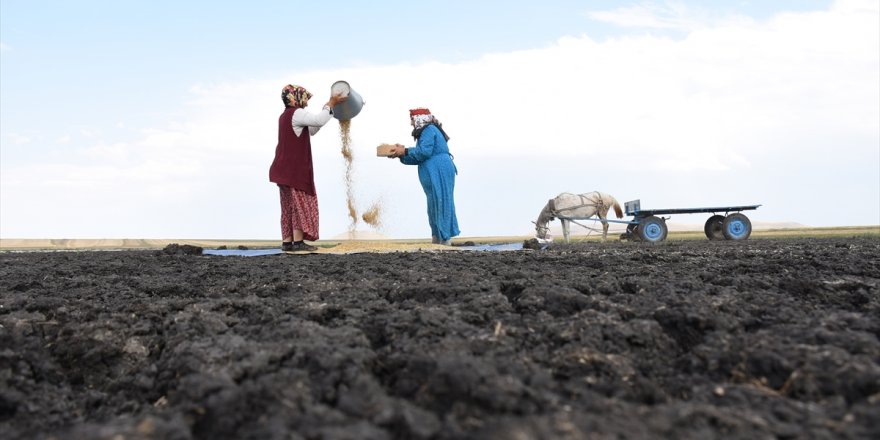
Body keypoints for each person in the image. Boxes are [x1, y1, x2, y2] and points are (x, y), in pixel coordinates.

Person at [269, 84, 346, 252]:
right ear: (296, 98)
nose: (307, 103)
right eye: (305, 98)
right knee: (298, 205)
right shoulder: (296, 113)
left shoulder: (284, 116)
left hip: (282, 170)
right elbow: (317, 120)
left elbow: (312, 129)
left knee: (288, 206)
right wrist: (330, 104)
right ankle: (298, 243)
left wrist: (328, 110)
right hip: (294, 171)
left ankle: (287, 242)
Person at [386, 108, 460, 245]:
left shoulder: (429, 130)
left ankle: (444, 239)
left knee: (441, 201)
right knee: (433, 205)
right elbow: (418, 157)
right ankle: (437, 237)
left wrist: (405, 150)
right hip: (433, 171)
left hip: (439, 170)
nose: (411, 123)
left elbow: (423, 153)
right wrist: (401, 154)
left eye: (412, 119)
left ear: (420, 118)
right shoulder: (425, 133)